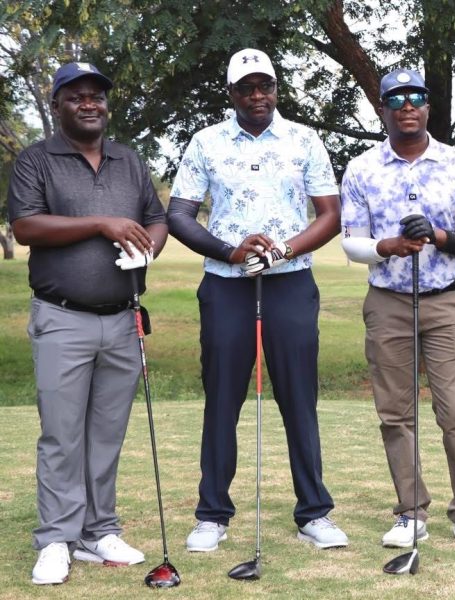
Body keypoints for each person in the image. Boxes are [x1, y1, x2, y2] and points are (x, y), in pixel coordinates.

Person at [167, 48, 345, 551]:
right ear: (231, 94)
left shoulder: (303, 139)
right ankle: (212, 515)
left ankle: (314, 513)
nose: (257, 95)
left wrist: (284, 249)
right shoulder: (205, 142)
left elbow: (329, 214)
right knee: (222, 398)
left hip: (290, 280)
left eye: (264, 85)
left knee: (298, 398)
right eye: (246, 87)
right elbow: (179, 214)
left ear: (275, 88)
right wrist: (230, 249)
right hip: (226, 283)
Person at [6, 61, 168, 585]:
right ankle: (56, 538)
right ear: (57, 105)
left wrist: (147, 250)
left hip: (121, 321)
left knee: (105, 434)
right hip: (62, 319)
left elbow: (155, 218)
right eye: (76, 96)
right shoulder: (36, 160)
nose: (89, 102)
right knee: (61, 436)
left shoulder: (129, 158)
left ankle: (98, 532)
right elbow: (26, 226)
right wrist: (102, 223)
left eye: (96, 95)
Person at [339, 68, 455, 550]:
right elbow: (352, 243)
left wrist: (438, 236)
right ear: (383, 108)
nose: (408, 105)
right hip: (387, 302)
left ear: (428, 107)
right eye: (397, 98)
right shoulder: (362, 168)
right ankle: (410, 511)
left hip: (446, 300)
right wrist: (387, 246)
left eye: (417, 97)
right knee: (395, 414)